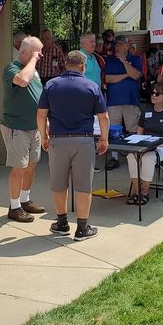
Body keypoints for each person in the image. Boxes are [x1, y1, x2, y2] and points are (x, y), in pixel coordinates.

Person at [37, 50, 109, 241]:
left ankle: (61, 223)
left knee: (59, 183)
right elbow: (103, 116)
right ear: (83, 66)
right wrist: (104, 138)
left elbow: (41, 114)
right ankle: (82, 228)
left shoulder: (51, 85)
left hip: (58, 139)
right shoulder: (91, 86)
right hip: (83, 140)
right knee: (83, 186)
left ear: (65, 64)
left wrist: (44, 135)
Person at [1, 35, 47, 222]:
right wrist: (34, 60)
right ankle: (14, 207)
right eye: (38, 52)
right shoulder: (11, 69)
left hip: (34, 126)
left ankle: (25, 199)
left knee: (31, 165)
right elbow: (23, 81)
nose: (41, 55)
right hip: (17, 127)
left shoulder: (32, 70)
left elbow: (38, 95)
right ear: (25, 52)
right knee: (18, 168)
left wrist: (45, 122)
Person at [126, 83, 163, 205]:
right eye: (152, 93)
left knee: (148, 157)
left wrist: (159, 145)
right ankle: (137, 192)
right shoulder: (146, 111)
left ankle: (144, 193)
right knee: (131, 155)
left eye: (157, 94)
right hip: (145, 146)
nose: (153, 96)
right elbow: (139, 133)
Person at [103, 35, 143, 168]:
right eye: (116, 44)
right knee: (114, 130)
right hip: (114, 100)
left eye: (121, 44)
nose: (118, 47)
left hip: (131, 100)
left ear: (128, 45)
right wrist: (127, 74)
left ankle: (133, 154)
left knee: (133, 128)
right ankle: (114, 158)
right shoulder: (110, 60)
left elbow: (136, 75)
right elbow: (108, 79)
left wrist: (124, 62)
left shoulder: (136, 59)